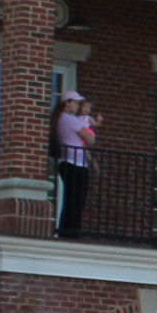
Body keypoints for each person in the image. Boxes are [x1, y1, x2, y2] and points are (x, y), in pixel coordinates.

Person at [53, 93, 96, 237]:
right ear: (67, 103)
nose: (77, 106)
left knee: (70, 200)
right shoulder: (71, 120)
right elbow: (90, 139)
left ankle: (66, 231)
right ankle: (71, 232)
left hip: (67, 163)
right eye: (75, 103)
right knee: (77, 202)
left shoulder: (59, 119)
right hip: (76, 164)